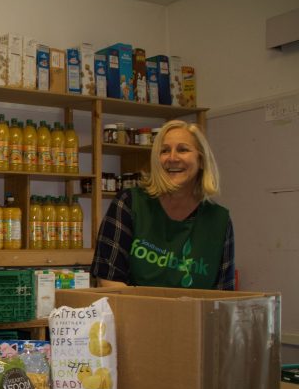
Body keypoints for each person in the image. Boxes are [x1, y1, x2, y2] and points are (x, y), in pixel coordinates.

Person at [91, 119, 235, 290]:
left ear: (201, 160)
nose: (172, 158)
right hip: (134, 314)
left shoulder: (218, 220)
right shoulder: (129, 204)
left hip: (194, 316)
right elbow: (108, 280)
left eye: (183, 149)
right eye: (164, 151)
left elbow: (223, 295)